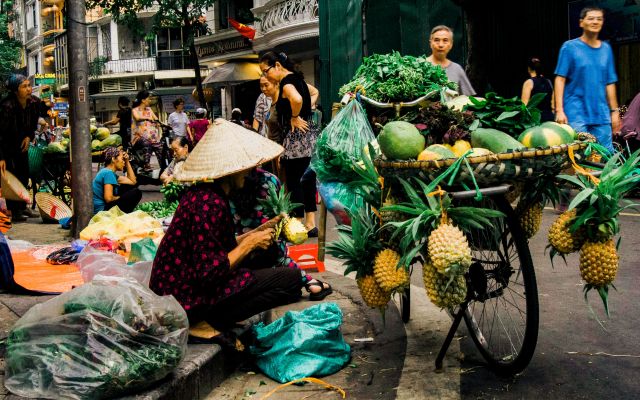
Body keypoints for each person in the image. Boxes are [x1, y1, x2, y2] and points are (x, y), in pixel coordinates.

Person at [149, 119, 331, 332]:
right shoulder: (209, 203)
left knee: (284, 279)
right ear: (232, 170)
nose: (250, 172)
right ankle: (206, 321)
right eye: (245, 167)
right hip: (187, 299)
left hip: (186, 290)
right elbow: (210, 273)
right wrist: (250, 243)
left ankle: (212, 317)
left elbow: (218, 246)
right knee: (289, 281)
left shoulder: (209, 195)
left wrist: (255, 233)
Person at [260, 51, 319, 235]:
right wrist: (304, 112)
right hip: (308, 136)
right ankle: (311, 224)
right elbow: (312, 93)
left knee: (294, 181)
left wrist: (294, 116)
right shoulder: (299, 79)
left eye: (265, 70)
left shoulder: (286, 83)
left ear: (277, 66)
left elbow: (297, 99)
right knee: (308, 181)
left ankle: (298, 224)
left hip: (295, 139)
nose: (265, 75)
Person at [554, 6, 620, 153]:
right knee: (579, 154)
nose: (595, 21)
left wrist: (615, 112)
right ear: (581, 23)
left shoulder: (606, 50)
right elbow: (560, 79)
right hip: (575, 112)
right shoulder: (569, 47)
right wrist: (559, 110)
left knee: (606, 154)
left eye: (599, 19)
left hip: (601, 113)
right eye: (591, 18)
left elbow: (610, 83)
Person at [0, 74, 51, 222]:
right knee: (11, 178)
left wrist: (29, 137)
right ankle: (14, 211)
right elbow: (0, 134)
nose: (29, 89)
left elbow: (33, 124)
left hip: (22, 145)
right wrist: (1, 157)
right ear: (15, 91)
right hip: (6, 146)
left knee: (23, 174)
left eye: (29, 86)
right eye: (24, 86)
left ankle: (23, 207)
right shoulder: (6, 106)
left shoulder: (34, 103)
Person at [426, 25, 475, 96]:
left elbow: (468, 99)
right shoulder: (420, 67)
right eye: (436, 40)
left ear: (451, 44)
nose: (440, 45)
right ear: (430, 43)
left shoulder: (457, 69)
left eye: (445, 40)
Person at [92, 146, 141, 214]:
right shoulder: (108, 173)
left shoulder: (107, 172)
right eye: (122, 159)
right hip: (102, 211)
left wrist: (127, 161)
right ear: (113, 159)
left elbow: (133, 181)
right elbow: (108, 199)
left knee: (129, 187)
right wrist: (121, 198)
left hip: (105, 207)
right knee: (136, 193)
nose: (123, 162)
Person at [131, 90, 163, 172]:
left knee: (161, 148)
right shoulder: (135, 110)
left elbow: (156, 119)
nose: (150, 100)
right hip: (139, 137)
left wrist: (160, 123)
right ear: (143, 100)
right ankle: (146, 165)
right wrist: (147, 118)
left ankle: (164, 167)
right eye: (149, 99)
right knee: (147, 143)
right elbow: (137, 118)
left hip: (152, 136)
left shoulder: (149, 109)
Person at [521, 57, 555, 122]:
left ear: (529, 69)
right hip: (549, 118)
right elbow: (553, 104)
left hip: (535, 120)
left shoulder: (529, 82)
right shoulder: (549, 81)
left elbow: (524, 106)